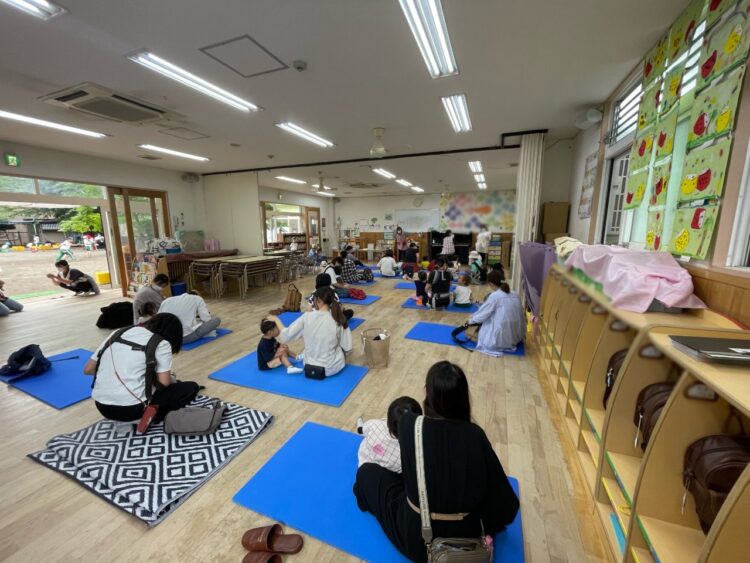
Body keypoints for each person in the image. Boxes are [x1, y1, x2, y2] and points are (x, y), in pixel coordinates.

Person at [353, 361, 519, 562]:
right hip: (464, 545)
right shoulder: (475, 435)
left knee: (367, 473)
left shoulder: (409, 425)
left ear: (427, 394)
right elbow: (507, 508)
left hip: (419, 541)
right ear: (463, 399)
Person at [84, 313, 201, 422]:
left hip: (101, 406)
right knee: (190, 387)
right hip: (133, 409)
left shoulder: (118, 332)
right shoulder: (162, 343)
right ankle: (152, 417)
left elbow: (88, 369)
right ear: (173, 336)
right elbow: (163, 383)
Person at [266, 287, 352, 377]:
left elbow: (285, 336)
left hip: (309, 366)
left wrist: (276, 319)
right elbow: (348, 347)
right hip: (331, 369)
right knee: (340, 348)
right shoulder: (337, 319)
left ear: (318, 300)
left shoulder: (306, 317)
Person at [356, 396, 423, 474]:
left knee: (365, 429)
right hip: (389, 475)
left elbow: (367, 428)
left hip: (365, 462)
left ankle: (360, 429)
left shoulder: (375, 424)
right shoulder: (412, 453)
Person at [468, 270, 526, 357]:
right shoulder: (515, 294)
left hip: (499, 339)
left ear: (491, 283)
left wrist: (467, 323)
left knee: (468, 331)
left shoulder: (495, 296)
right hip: (517, 336)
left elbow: (480, 316)